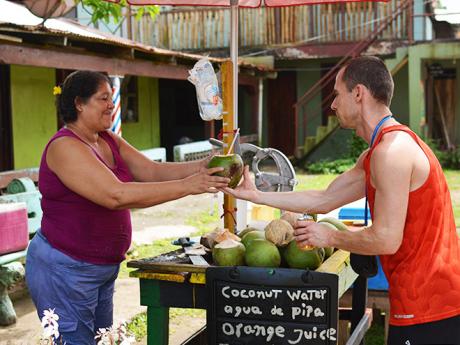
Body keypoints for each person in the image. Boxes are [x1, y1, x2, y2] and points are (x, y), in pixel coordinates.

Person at [224, 56, 460, 345]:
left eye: (337, 94)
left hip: (433, 306)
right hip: (418, 301)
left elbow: (386, 239)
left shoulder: (392, 152)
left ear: (358, 93)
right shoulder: (378, 152)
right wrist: (258, 195)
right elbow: (325, 198)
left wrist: (329, 236)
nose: (333, 105)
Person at [25, 70, 230, 344]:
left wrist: (203, 166)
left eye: (111, 97)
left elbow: (152, 171)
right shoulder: (64, 147)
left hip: (100, 268)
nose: (111, 104)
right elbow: (115, 195)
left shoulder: (107, 139)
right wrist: (191, 185)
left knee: (101, 340)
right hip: (65, 270)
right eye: (103, 98)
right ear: (79, 103)